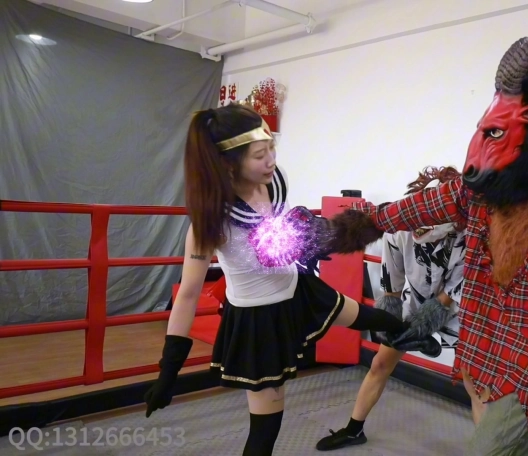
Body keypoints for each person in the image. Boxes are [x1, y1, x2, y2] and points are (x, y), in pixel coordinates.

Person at [326, 37, 528, 456]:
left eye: (495, 133)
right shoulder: (483, 195)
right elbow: (419, 207)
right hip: (484, 347)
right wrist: (358, 226)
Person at [142, 104, 409, 456]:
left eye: (272, 149)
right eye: (259, 155)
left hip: (298, 290)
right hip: (258, 320)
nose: (271, 161)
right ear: (228, 162)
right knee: (265, 430)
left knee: (369, 316)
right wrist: (169, 370)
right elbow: (189, 294)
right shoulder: (212, 223)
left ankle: (413, 332)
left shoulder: (272, 184)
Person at [315, 165, 467, 451]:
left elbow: (450, 296)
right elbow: (391, 288)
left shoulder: (469, 237)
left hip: (460, 308)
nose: (422, 227)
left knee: (473, 380)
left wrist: (423, 327)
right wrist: (392, 325)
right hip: (416, 301)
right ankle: (354, 430)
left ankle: (493, 447)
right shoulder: (399, 231)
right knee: (380, 364)